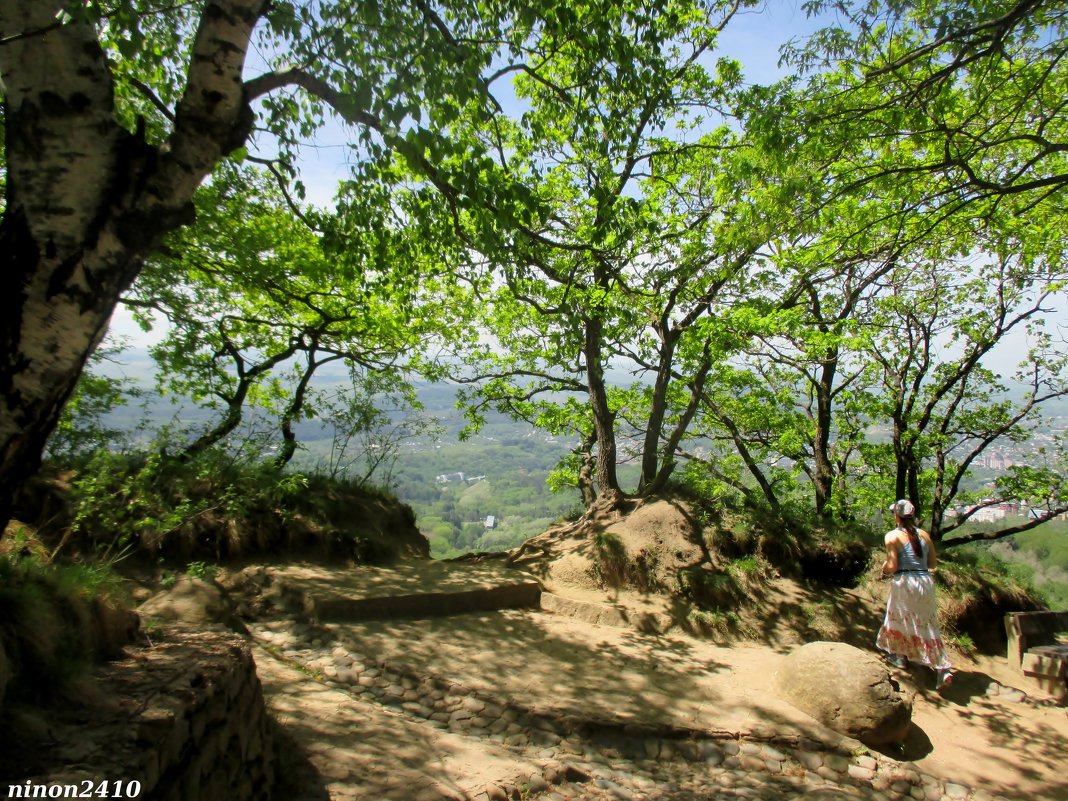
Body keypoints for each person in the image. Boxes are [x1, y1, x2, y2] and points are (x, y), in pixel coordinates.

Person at [875, 499, 955, 689]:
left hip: (905, 582)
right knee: (927, 624)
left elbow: (892, 566)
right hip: (925, 582)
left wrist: (884, 568)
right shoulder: (924, 535)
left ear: (897, 516)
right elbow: (933, 564)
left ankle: (898, 656)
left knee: (897, 618)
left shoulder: (892, 536)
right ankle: (943, 669)